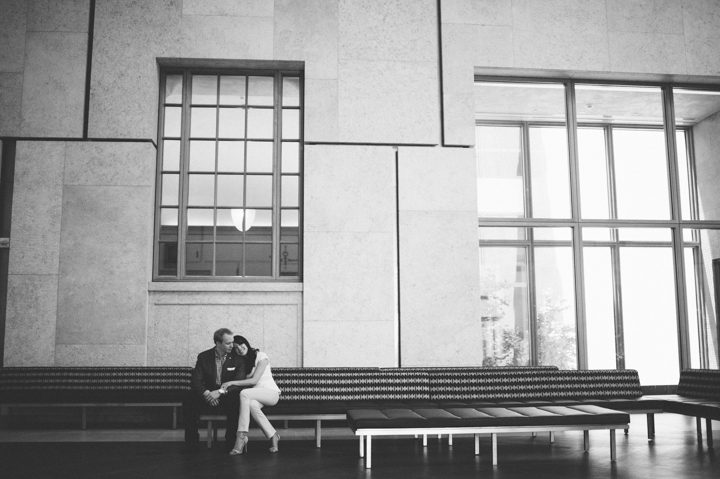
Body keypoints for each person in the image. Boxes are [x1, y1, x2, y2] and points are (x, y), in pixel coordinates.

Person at [184, 328, 248, 451]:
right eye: (228, 343)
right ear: (218, 343)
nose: (232, 345)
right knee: (189, 398)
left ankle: (230, 442)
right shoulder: (204, 357)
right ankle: (191, 444)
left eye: (232, 342)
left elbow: (238, 383)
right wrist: (207, 394)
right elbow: (196, 380)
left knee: (237, 398)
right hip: (208, 394)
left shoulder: (237, 358)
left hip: (227, 395)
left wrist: (219, 393)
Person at [221, 335, 281, 455]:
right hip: (256, 395)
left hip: (271, 393)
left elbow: (254, 380)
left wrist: (231, 382)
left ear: (246, 343)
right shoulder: (243, 363)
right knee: (252, 405)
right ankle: (273, 436)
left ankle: (241, 436)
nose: (240, 349)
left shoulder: (261, 356)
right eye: (236, 348)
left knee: (244, 394)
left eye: (241, 344)